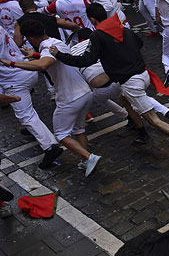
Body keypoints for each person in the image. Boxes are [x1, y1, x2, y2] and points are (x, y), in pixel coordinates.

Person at [49, 3, 169, 165]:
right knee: (123, 98)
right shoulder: (123, 29)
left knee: (153, 120)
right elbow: (139, 43)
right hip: (143, 74)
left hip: (131, 82)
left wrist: (60, 55)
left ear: (92, 20)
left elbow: (86, 60)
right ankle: (142, 128)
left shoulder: (97, 36)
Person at [0, 19, 101, 177]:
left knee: (61, 134)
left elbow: (43, 64)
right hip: (85, 93)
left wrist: (12, 63)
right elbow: (51, 58)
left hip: (70, 98)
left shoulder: (47, 48)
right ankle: (84, 160)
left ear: (31, 38)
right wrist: (33, 55)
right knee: (78, 129)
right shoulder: (56, 42)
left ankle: (89, 157)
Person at [0, 25, 63, 170]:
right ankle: (33, 129)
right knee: (28, 108)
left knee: (25, 115)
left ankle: (49, 146)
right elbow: (16, 40)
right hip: (26, 69)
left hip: (14, 78)